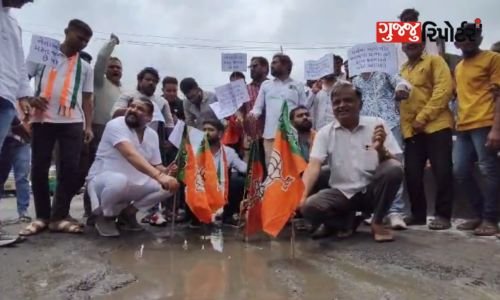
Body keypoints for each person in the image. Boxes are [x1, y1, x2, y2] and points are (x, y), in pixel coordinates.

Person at [299, 81, 403, 242]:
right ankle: (344, 221)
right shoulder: (325, 133)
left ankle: (377, 221)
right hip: (341, 193)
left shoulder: (377, 124)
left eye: (348, 100)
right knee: (309, 206)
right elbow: (313, 166)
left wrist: (381, 149)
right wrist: (302, 198)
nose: (342, 105)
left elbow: (397, 164)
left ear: (360, 104)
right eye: (337, 102)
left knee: (393, 169)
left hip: (371, 191)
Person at [20, 19, 95, 236]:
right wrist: (30, 98)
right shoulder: (42, 54)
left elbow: (88, 99)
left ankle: (59, 216)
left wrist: (88, 126)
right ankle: (42, 217)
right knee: (39, 167)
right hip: (42, 119)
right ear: (66, 32)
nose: (82, 43)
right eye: (79, 38)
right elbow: (23, 79)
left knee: (69, 169)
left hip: (73, 122)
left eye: (86, 41)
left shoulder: (86, 67)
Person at [86, 98, 179, 237]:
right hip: (104, 180)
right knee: (118, 181)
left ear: (149, 118)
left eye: (140, 109)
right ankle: (105, 216)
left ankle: (128, 214)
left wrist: (166, 172)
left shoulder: (152, 135)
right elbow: (130, 154)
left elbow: (156, 165)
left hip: (134, 181)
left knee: (171, 185)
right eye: (132, 106)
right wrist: (160, 176)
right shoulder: (116, 124)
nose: (133, 110)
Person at [400, 40, 455, 230]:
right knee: (412, 174)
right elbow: (403, 104)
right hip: (413, 132)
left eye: (414, 40)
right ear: (401, 46)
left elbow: (444, 90)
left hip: (437, 126)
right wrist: (407, 129)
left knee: (443, 172)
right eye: (405, 42)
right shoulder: (402, 71)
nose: (410, 44)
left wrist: (422, 118)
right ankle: (418, 215)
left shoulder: (435, 61)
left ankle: (443, 216)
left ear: (422, 43)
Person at [453, 23, 500, 236]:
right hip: (463, 127)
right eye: (463, 37)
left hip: (485, 123)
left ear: (480, 38)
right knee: (460, 171)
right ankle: (479, 214)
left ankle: (490, 219)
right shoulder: (459, 67)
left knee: (488, 169)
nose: (468, 40)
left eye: (473, 36)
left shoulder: (493, 59)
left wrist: (496, 129)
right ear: (456, 43)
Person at [352, 72, 411, 229]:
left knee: (394, 164)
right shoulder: (355, 80)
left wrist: (401, 88)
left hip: (390, 124)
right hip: (366, 128)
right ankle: (376, 211)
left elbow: (401, 82)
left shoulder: (385, 72)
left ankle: (395, 212)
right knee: (370, 168)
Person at [0, 0, 34, 246]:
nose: (26, 2)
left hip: (8, 97)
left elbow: (20, 66)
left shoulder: (13, 23)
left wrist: (23, 97)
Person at [80, 33, 123, 220]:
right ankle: (91, 213)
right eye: (112, 67)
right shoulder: (99, 82)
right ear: (105, 69)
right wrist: (112, 42)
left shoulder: (123, 90)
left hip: (118, 135)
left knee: (115, 174)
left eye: (118, 68)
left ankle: (111, 213)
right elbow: (100, 58)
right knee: (95, 173)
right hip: (98, 130)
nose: (115, 70)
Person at [248, 54, 307, 164]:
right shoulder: (266, 85)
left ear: (285, 65)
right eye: (271, 63)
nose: (271, 65)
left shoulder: (297, 85)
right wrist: (252, 115)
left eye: (275, 62)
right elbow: (257, 108)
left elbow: (304, 108)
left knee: (293, 170)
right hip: (271, 135)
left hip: (292, 135)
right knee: (273, 172)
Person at [112, 67, 174, 163]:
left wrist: (170, 141)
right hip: (127, 140)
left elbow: (169, 123)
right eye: (148, 79)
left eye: (154, 81)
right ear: (140, 81)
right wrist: (135, 111)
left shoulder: (162, 102)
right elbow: (114, 114)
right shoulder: (128, 96)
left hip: (150, 144)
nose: (151, 83)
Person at [202, 119, 247, 228]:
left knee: (239, 181)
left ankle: (228, 216)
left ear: (220, 134)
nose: (206, 133)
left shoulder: (228, 152)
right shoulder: (196, 151)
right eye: (204, 130)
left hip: (221, 188)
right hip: (201, 188)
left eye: (211, 130)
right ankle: (196, 218)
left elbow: (245, 169)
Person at [0, 106, 31, 222]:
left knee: (22, 177)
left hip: (21, 141)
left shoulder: (25, 94)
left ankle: (23, 212)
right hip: (4, 141)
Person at [243, 57, 269, 148]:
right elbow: (239, 111)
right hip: (252, 139)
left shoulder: (274, 87)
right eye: (250, 67)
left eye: (255, 66)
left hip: (272, 137)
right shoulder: (245, 89)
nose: (252, 69)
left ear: (265, 68)